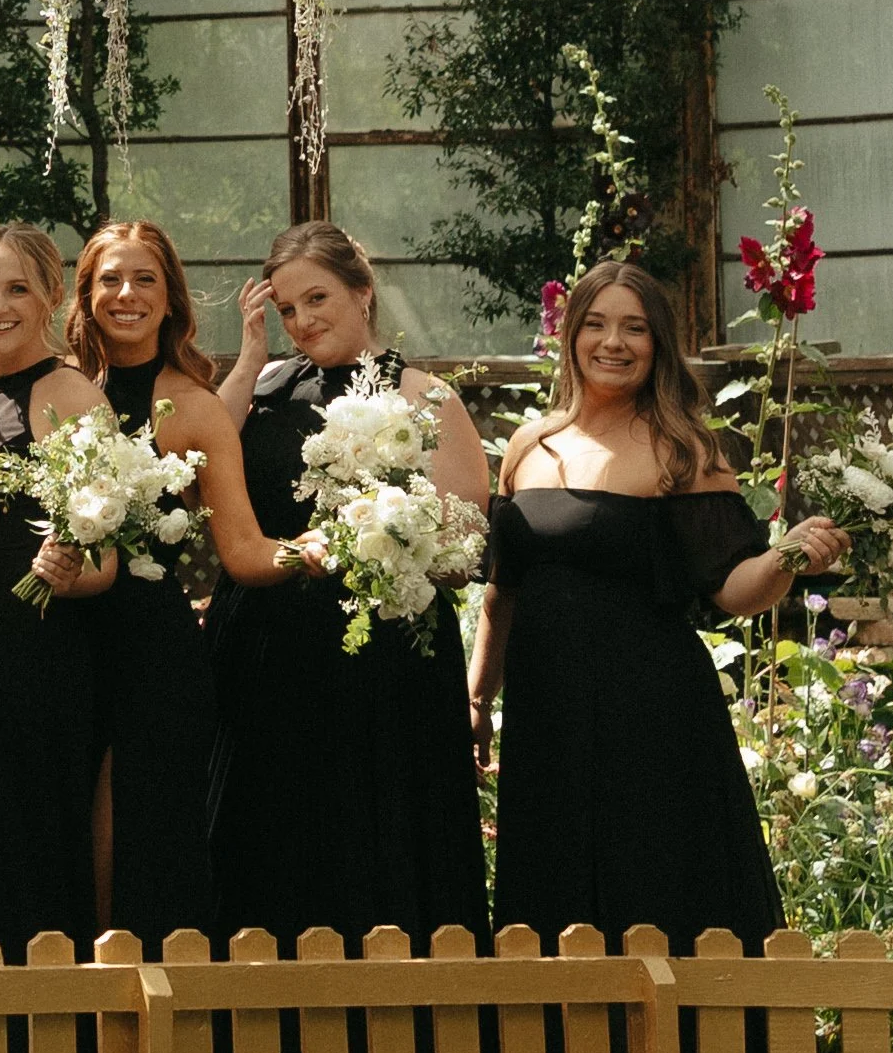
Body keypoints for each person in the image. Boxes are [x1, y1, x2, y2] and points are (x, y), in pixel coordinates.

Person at [470, 259, 845, 949]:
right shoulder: (529, 445)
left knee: (656, 887)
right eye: (597, 324)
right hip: (545, 711)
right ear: (571, 336)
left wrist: (788, 556)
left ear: (658, 344)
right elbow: (502, 592)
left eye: (634, 328)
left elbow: (732, 590)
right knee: (552, 897)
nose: (613, 343)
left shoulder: (685, 449)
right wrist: (476, 701)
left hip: (650, 712)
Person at [207, 219, 491, 951]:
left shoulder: (428, 397)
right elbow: (198, 452)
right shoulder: (263, 391)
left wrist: (398, 543)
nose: (302, 321)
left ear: (363, 293)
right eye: (286, 309)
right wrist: (249, 356)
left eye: (317, 299)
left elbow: (465, 549)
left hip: (385, 663)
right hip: (267, 655)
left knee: (378, 839)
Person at [63, 221, 255, 953]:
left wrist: (338, 544)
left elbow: (239, 549)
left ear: (171, 295)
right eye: (110, 278)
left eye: (145, 279)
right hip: (62, 639)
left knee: (136, 841)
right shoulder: (59, 387)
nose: (127, 294)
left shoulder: (195, 406)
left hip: (151, 652)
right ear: (85, 295)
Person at [0, 223, 116, 959]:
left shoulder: (68, 392)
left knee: (32, 850)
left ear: (49, 297)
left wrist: (70, 572)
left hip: (40, 656)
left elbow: (107, 557)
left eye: (18, 289)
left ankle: (49, 1052)